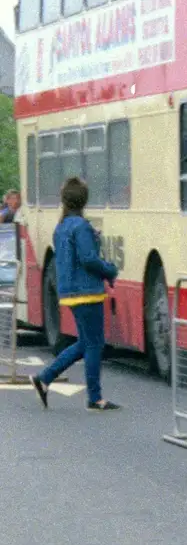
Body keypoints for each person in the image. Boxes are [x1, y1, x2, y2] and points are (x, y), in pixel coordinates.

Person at [32, 177, 119, 412]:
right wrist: (110, 270)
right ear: (84, 200)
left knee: (85, 343)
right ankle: (95, 397)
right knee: (95, 344)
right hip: (87, 292)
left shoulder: (62, 227)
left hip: (70, 293)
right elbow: (88, 259)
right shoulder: (81, 226)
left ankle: (45, 377)